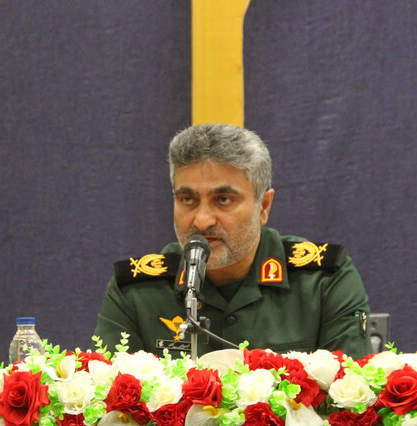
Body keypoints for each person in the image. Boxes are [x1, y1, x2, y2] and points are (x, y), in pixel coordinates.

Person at [94, 124, 372, 358]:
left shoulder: (322, 281)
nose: (202, 220)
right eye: (187, 199)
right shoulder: (136, 290)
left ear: (263, 206)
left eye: (223, 200)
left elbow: (350, 399)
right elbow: (110, 400)